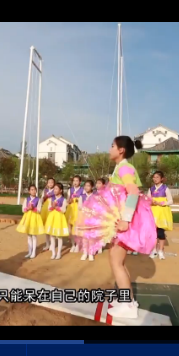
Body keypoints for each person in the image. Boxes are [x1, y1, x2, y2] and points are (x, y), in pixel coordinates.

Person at [75, 136, 156, 319]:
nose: (110, 149)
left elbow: (133, 192)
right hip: (119, 220)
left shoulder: (125, 168)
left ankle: (128, 305)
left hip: (123, 222)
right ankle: (127, 300)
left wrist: (126, 220)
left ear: (121, 150)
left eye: (112, 146)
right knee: (118, 261)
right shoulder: (120, 167)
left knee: (116, 262)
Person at [148, 171, 174, 260]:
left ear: (162, 179)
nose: (155, 179)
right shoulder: (151, 189)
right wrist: (151, 202)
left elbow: (171, 201)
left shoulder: (165, 188)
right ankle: (154, 250)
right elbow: (147, 200)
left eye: (157, 177)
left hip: (162, 213)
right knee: (153, 232)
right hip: (153, 213)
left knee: (160, 232)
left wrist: (162, 203)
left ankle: (161, 250)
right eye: (154, 177)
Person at [16, 184, 45, 258]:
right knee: (29, 235)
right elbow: (23, 209)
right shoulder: (27, 199)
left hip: (35, 218)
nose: (33, 191)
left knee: (34, 235)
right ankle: (29, 251)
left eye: (34, 189)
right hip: (28, 217)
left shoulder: (38, 199)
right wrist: (28, 208)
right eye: (32, 190)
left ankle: (34, 252)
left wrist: (33, 208)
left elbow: (39, 210)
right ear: (29, 191)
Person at [44, 183, 69, 260]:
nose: (55, 190)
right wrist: (52, 206)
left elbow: (63, 210)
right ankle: (53, 253)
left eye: (56, 189)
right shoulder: (51, 199)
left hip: (59, 218)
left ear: (61, 190)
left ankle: (58, 253)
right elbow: (49, 208)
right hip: (52, 217)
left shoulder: (63, 199)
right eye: (54, 189)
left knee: (59, 236)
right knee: (52, 235)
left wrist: (56, 207)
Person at [78, 180, 96, 262]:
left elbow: (98, 207)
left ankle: (91, 253)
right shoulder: (82, 196)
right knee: (84, 236)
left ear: (92, 187)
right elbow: (79, 207)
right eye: (85, 185)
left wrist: (92, 211)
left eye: (88, 185)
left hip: (92, 219)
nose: (86, 187)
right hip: (84, 218)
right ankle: (85, 252)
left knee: (91, 237)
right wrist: (85, 208)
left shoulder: (95, 196)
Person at [66, 175, 83, 253]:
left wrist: (78, 199)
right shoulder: (70, 190)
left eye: (77, 181)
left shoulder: (82, 190)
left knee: (77, 227)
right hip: (71, 209)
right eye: (74, 181)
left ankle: (78, 244)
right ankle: (73, 244)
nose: (75, 182)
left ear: (80, 182)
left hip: (78, 210)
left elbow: (84, 200)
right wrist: (70, 200)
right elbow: (67, 200)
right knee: (70, 226)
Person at [40, 178, 56, 252]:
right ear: (47, 183)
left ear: (54, 183)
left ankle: (52, 244)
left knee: (51, 227)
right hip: (45, 209)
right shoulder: (45, 191)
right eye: (49, 182)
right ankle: (47, 244)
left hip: (52, 209)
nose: (50, 184)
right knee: (46, 228)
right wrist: (44, 197)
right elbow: (41, 200)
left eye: (52, 182)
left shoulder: (55, 190)